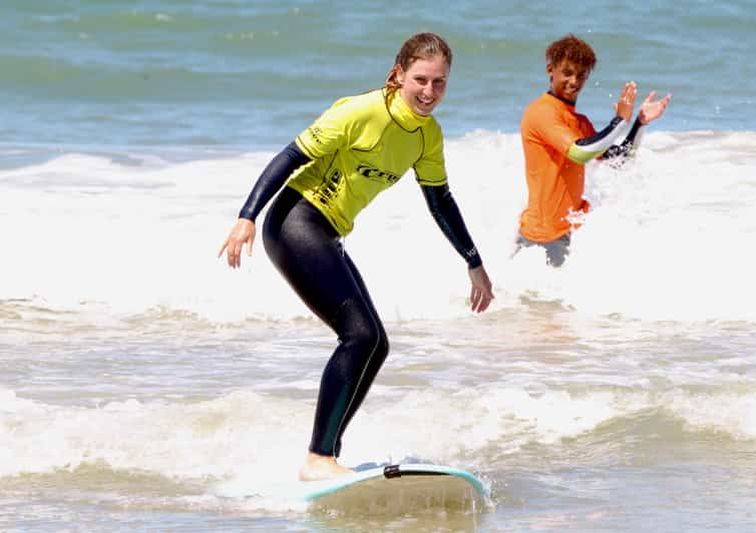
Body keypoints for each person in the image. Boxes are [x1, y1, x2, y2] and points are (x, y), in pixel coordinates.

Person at [218, 32, 494, 481]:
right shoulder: (359, 111)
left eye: (439, 83)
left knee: (375, 344)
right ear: (397, 74)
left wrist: (473, 261)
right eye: (420, 80)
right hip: (295, 220)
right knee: (359, 335)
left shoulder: (427, 136)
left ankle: (326, 455)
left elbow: (440, 200)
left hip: (327, 232)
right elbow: (290, 156)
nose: (429, 92)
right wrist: (247, 216)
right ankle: (318, 457)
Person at [516, 34, 671, 267]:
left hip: (571, 230)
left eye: (581, 75)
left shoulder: (580, 122)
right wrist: (619, 121)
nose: (574, 81)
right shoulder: (542, 112)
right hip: (541, 238)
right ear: (551, 70)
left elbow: (619, 160)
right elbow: (579, 152)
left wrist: (638, 123)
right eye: (567, 72)